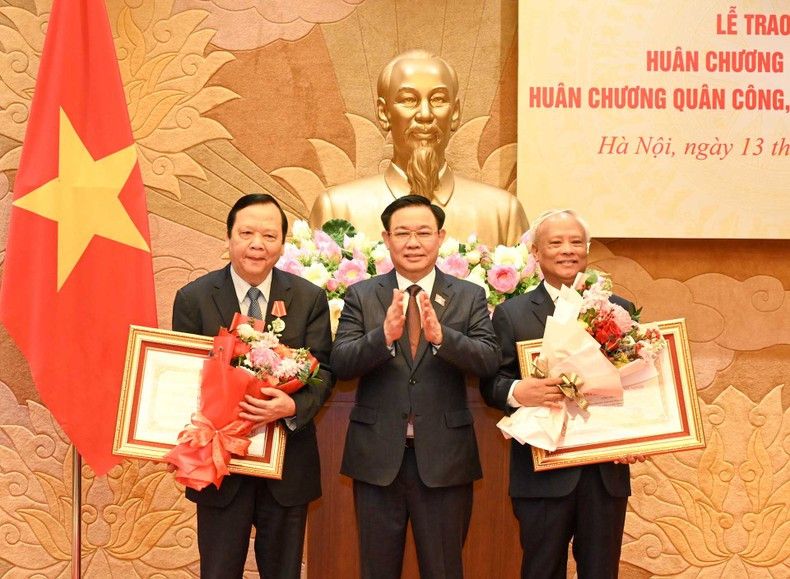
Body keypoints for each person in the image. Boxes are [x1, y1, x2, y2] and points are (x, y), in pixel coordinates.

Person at [331, 195, 501, 578]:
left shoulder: (468, 295)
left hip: (444, 460)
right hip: (377, 459)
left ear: (440, 238)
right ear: (386, 239)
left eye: (423, 232)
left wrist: (443, 339)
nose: (413, 242)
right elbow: (340, 363)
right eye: (402, 233)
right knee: (376, 569)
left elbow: (489, 360)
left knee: (443, 569)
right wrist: (382, 336)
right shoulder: (361, 294)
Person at [172, 193, 335, 579]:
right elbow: (183, 376)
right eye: (246, 233)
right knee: (218, 571)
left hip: (286, 464)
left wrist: (292, 407)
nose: (256, 244)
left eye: (268, 235)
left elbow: (325, 369)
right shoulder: (193, 298)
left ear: (282, 243)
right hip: (219, 467)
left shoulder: (309, 297)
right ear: (228, 238)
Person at [480, 209, 643, 578]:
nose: (567, 250)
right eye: (556, 243)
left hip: (605, 473)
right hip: (542, 471)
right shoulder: (512, 314)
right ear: (536, 253)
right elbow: (491, 384)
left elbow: (637, 382)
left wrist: (638, 435)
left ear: (586, 250)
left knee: (602, 571)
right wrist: (522, 390)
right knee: (541, 570)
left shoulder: (619, 309)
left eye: (576, 242)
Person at [309, 49, 528, 247]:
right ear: (384, 113)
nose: (425, 114)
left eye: (438, 99)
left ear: (455, 113)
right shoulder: (337, 209)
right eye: (409, 100)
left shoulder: (502, 214)